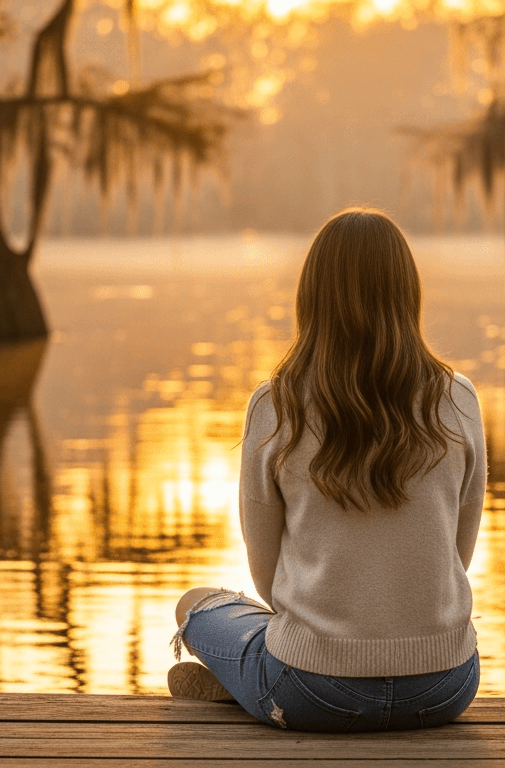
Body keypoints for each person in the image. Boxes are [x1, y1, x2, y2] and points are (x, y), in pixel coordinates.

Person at [166, 208, 487, 733]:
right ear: (407, 294)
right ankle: (250, 682)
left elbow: (266, 573)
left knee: (196, 605)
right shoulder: (458, 399)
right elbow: (457, 552)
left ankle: (248, 684)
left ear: (311, 298)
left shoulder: (276, 405)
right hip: (445, 684)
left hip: (315, 689)